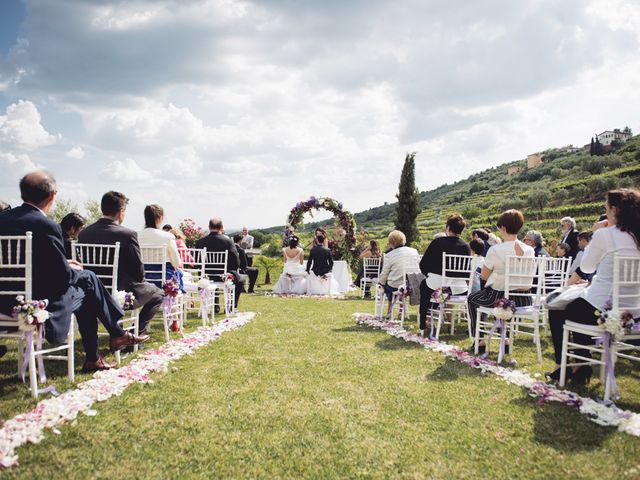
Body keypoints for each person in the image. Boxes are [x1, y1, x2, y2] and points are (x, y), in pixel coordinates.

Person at [0, 172, 148, 371]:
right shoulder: (46, 225)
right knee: (87, 281)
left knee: (87, 281)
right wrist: (72, 268)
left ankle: (107, 344)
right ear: (53, 195)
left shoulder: (4, 220)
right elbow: (63, 278)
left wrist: (64, 262)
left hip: (5, 302)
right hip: (37, 303)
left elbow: (23, 262)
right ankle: (111, 339)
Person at [547, 189, 640, 383]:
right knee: (578, 305)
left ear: (614, 210)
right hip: (634, 313)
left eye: (606, 208)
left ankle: (563, 365)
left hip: (603, 309)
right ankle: (581, 366)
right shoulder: (636, 236)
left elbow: (587, 266)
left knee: (558, 308)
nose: (606, 212)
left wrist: (596, 233)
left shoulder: (605, 235)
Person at [79, 191, 164, 336]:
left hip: (91, 290)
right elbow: (138, 270)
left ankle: (128, 334)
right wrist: (141, 281)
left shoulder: (84, 233)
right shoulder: (128, 234)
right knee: (158, 293)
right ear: (121, 212)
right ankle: (135, 333)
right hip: (120, 290)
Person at [467, 209, 535, 353]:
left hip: (499, 298)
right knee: (499, 295)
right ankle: (505, 339)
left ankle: (479, 340)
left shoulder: (496, 250)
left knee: (472, 299)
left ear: (503, 228)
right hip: (525, 299)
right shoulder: (530, 250)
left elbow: (484, 276)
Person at [418, 214, 471, 334]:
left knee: (424, 286)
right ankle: (448, 322)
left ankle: (425, 321)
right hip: (459, 288)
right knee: (442, 290)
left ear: (447, 227)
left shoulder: (438, 242)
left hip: (438, 285)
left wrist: (428, 274)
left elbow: (423, 264)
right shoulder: (466, 247)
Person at [195, 217, 244, 308]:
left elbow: (197, 261)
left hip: (206, 276)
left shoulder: (200, 242)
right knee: (241, 280)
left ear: (209, 227)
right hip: (223, 276)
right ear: (222, 227)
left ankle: (215, 306)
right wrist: (230, 269)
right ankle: (231, 305)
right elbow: (236, 261)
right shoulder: (228, 241)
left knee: (215, 276)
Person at [378, 230, 419, 318]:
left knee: (387, 285)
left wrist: (380, 283)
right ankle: (401, 311)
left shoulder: (389, 255)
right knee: (398, 283)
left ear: (391, 243)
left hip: (396, 286)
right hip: (412, 285)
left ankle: (390, 311)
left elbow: (384, 273)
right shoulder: (414, 251)